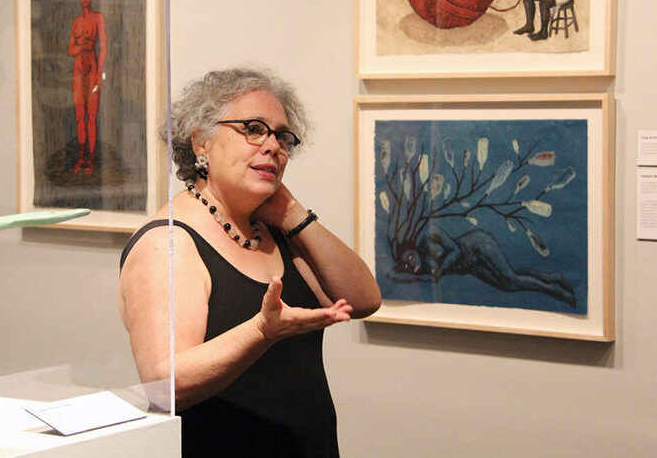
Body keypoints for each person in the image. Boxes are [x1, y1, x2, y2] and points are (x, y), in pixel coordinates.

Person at [118, 68, 381, 457]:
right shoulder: (169, 242)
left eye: (282, 136)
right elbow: (164, 384)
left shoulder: (274, 228)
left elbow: (363, 299)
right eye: (254, 129)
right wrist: (262, 330)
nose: (272, 145)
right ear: (201, 142)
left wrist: (291, 212)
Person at [391, 225, 576, 308]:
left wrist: (439, 271)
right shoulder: (420, 269)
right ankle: (553, 277)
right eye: (406, 264)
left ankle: (556, 291)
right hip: (471, 266)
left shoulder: (430, 235)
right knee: (509, 284)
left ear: (412, 247)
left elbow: (455, 250)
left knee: (511, 279)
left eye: (409, 257)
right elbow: (392, 275)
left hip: (478, 247)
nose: (410, 263)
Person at [68, 0, 106, 175]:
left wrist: (99, 74)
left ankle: (90, 159)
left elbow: (103, 48)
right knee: (79, 117)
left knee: (91, 117)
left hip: (91, 70)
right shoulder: (76, 22)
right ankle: (81, 157)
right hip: (78, 71)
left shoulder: (98, 18)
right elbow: (70, 49)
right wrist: (82, 46)